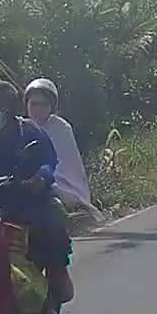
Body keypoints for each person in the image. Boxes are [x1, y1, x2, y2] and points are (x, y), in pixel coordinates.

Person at [0, 80, 74, 308]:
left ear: (9, 111)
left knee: (52, 226)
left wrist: (40, 179)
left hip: (28, 201)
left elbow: (50, 163)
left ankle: (56, 278)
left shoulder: (30, 132)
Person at [23, 78, 105, 223]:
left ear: (51, 106)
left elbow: (63, 163)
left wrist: (43, 176)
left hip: (60, 182)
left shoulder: (60, 128)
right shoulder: (21, 127)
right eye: (34, 104)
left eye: (43, 104)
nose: (38, 109)